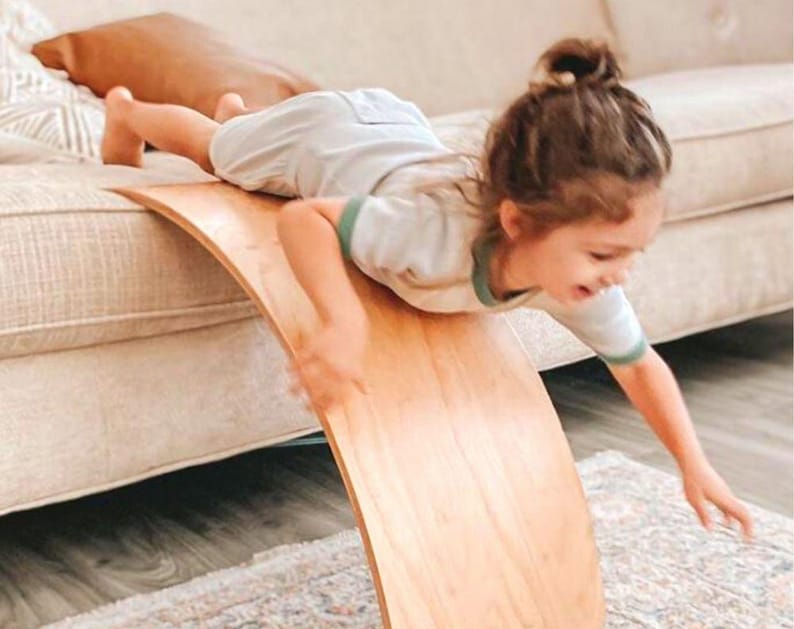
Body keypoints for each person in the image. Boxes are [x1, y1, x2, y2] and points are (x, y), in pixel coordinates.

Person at [100, 37, 754, 542]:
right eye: (606, 253)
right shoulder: (430, 237)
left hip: (393, 136)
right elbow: (306, 218)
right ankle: (131, 114)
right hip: (328, 136)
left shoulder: (575, 279)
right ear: (518, 223)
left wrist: (693, 463)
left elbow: (640, 365)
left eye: (632, 254)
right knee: (220, 154)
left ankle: (246, 120)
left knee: (247, 140)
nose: (620, 274)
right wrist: (341, 320)